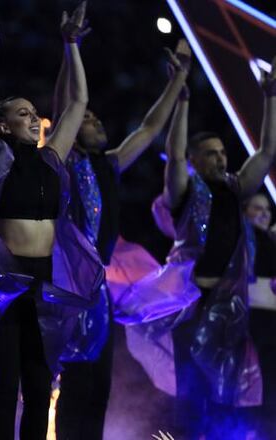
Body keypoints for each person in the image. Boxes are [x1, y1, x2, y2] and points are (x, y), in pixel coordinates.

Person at [0, 2, 104, 438]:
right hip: (1, 284)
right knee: (5, 385)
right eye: (23, 114)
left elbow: (78, 101)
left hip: (44, 284)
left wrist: (71, 44)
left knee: (38, 387)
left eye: (35, 113)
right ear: (4, 124)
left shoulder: (52, 160)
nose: (33, 119)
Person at [54, 38, 192, 439]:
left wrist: (177, 80)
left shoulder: (109, 164)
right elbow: (68, 105)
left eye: (97, 119)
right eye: (89, 119)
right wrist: (71, 46)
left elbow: (150, 128)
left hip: (98, 292)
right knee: (76, 385)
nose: (97, 123)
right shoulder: (64, 163)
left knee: (99, 388)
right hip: (67, 290)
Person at [132, 55, 276, 439]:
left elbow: (265, 154)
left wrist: (271, 98)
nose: (220, 158)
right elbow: (175, 155)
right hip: (192, 308)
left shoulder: (235, 187)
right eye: (211, 153)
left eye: (223, 153)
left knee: (226, 399)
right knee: (193, 400)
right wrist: (182, 100)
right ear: (197, 160)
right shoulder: (184, 191)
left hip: (230, 311)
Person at [243, 193, 276, 439]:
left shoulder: (269, 240)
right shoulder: (244, 239)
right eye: (258, 208)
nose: (265, 213)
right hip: (251, 323)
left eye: (267, 209)